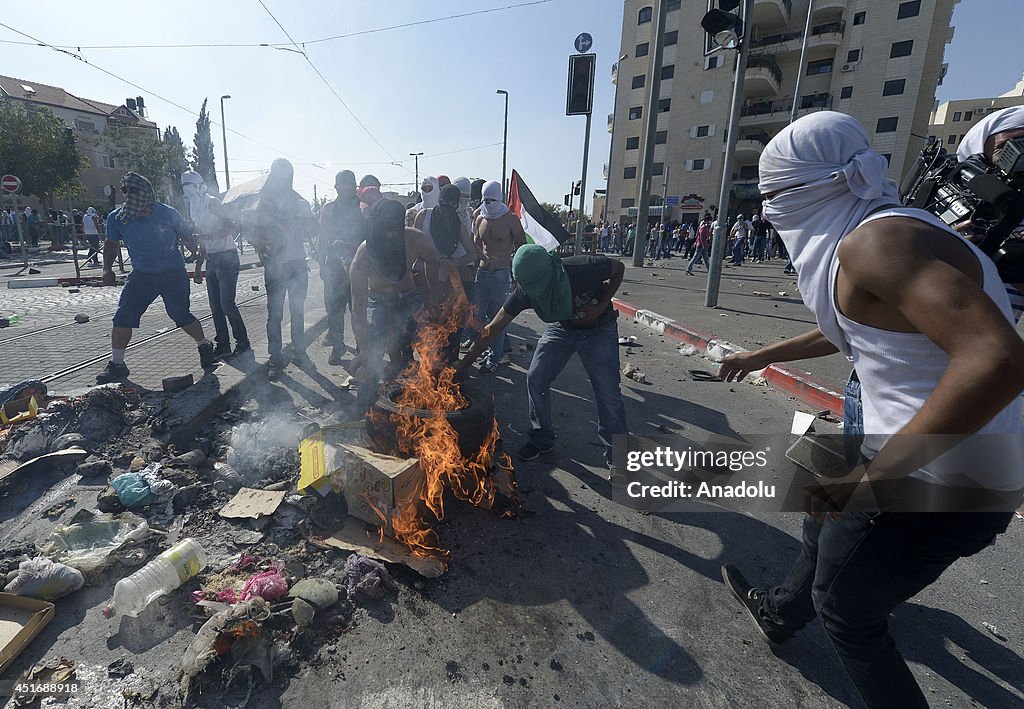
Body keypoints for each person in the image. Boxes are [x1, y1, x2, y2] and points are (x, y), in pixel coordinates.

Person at [718, 111, 1024, 709]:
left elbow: (999, 359)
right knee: (819, 515)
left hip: (933, 479)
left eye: (774, 196)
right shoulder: (882, 230)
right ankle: (780, 615)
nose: (768, 213)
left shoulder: (875, 242)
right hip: (937, 457)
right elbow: (859, 327)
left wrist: (873, 477)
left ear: (813, 188)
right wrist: (761, 355)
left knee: (848, 617)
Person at [456, 245, 628, 467]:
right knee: (536, 378)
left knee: (608, 393)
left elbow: (619, 269)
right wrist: (463, 367)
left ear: (550, 271)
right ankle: (542, 438)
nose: (534, 292)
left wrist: (600, 306)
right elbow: (492, 329)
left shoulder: (584, 267)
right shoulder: (525, 290)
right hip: (563, 328)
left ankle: (618, 460)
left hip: (598, 328)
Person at [96, 172, 216, 383]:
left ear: (148, 197)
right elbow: (111, 243)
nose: (139, 211)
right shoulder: (118, 217)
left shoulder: (168, 213)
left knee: (180, 315)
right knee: (123, 316)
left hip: (173, 274)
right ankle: (117, 364)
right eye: (132, 204)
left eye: (142, 206)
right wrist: (107, 269)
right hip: (142, 276)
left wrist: (195, 253)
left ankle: (204, 345)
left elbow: (186, 235)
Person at [349, 198, 440, 413]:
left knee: (430, 347)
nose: (391, 235)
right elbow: (358, 309)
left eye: (394, 230)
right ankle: (366, 409)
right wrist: (364, 349)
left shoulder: (415, 239)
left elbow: (433, 261)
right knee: (372, 359)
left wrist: (432, 298)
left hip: (410, 297)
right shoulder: (363, 256)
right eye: (385, 230)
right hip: (380, 302)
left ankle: (432, 401)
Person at [247, 158, 317, 376]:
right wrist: (260, 243)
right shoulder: (262, 204)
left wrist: (302, 219)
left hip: (296, 264)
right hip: (274, 266)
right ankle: (276, 359)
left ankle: (299, 353)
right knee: (275, 315)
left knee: (297, 312)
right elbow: (252, 235)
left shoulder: (300, 202)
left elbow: (313, 230)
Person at [182, 170, 249, 359]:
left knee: (227, 303)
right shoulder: (194, 207)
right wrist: (198, 266)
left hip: (227, 256)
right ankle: (223, 344)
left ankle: (243, 343)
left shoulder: (212, 202)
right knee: (215, 306)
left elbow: (231, 226)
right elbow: (202, 239)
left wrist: (210, 236)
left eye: (189, 186)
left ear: (198, 186)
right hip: (212, 258)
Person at [465, 180, 527, 375]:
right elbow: (474, 244)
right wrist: (479, 260)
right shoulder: (478, 216)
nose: (488, 203)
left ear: (499, 198)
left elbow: (522, 248)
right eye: (486, 199)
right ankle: (485, 347)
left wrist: (518, 275)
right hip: (482, 273)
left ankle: (495, 356)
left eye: (492, 199)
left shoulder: (510, 219)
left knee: (496, 317)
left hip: (500, 274)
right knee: (476, 315)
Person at [414, 183, 480, 362]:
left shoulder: (458, 224)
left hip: (448, 279)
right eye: (444, 204)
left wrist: (454, 262)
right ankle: (427, 363)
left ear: (456, 205)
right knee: (425, 323)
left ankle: (450, 364)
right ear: (439, 201)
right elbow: (413, 245)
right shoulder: (424, 216)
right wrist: (430, 260)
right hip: (424, 278)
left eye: (452, 205)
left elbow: (472, 253)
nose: (447, 210)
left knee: (452, 323)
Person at [318, 170, 367, 365]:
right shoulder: (329, 208)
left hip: (358, 264)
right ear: (336, 186)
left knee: (357, 308)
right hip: (334, 266)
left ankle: (361, 348)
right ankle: (337, 346)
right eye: (340, 185)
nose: (344, 188)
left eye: (348, 185)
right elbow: (322, 237)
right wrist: (321, 263)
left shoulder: (362, 207)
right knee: (333, 309)